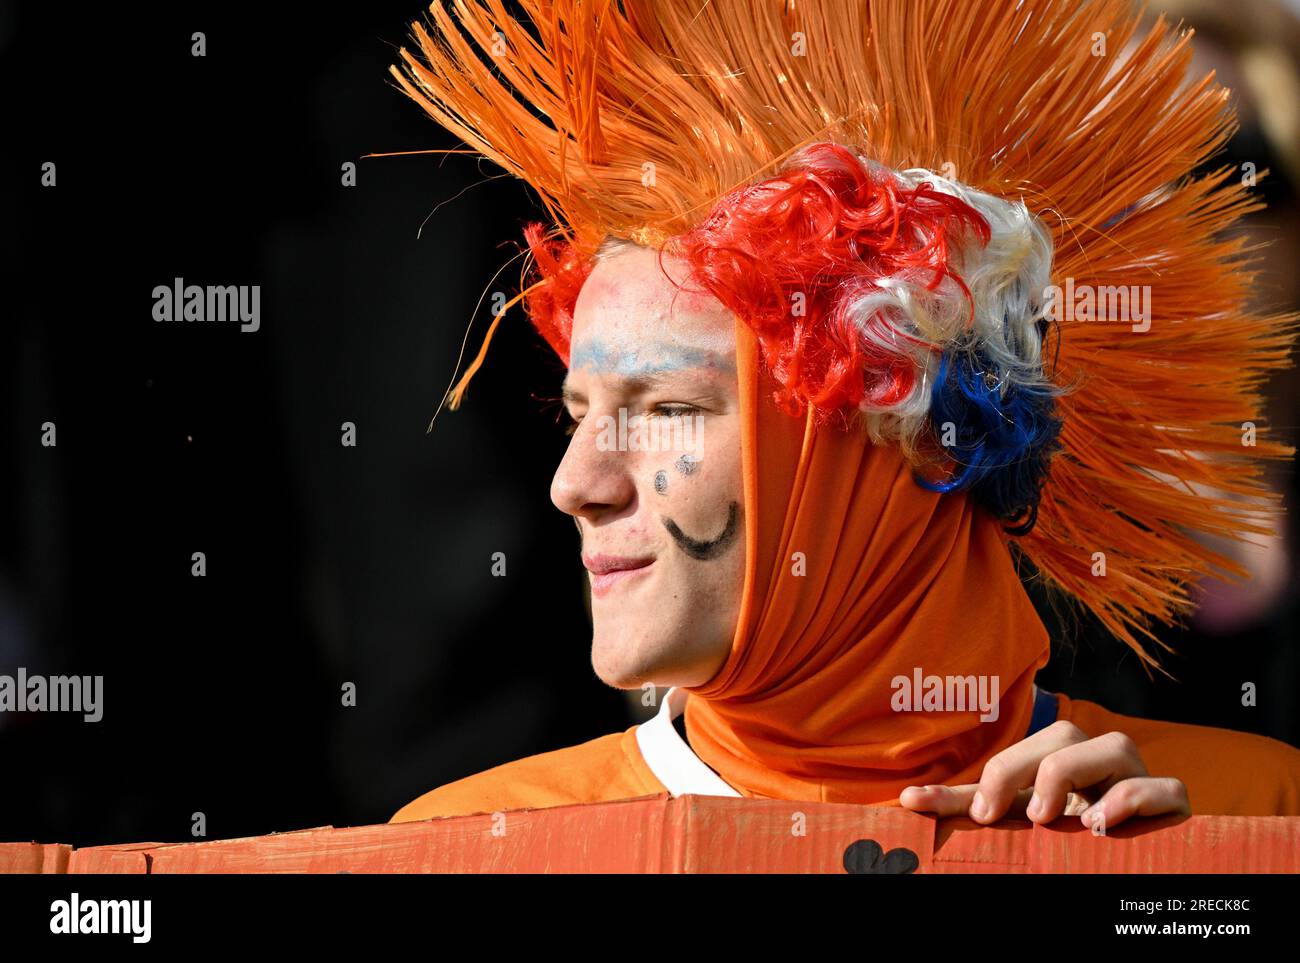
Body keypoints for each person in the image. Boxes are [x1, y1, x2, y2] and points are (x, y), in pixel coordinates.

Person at [381, 0, 1300, 827]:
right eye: (579, 411)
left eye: (666, 407)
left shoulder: (1254, 813)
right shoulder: (469, 845)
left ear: (908, 436)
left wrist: (1180, 905)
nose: (572, 485)